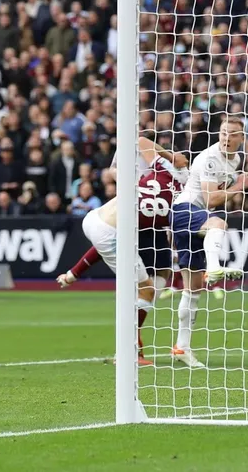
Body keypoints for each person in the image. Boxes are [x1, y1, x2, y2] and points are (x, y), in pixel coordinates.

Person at [56, 137, 189, 365]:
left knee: (156, 280)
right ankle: (129, 352)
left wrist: (73, 274)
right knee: (143, 290)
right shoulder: (181, 193)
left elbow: (143, 142)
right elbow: (140, 139)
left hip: (110, 223)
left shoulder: (162, 171)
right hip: (112, 229)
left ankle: (132, 350)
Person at [168, 117, 248, 368]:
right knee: (219, 224)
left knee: (192, 288)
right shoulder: (210, 158)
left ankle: (181, 347)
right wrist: (240, 187)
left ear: (241, 138)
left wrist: (236, 190)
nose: (226, 138)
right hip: (184, 210)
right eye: (224, 133)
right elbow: (212, 199)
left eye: (232, 134)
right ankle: (214, 268)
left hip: (194, 216)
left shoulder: (234, 160)